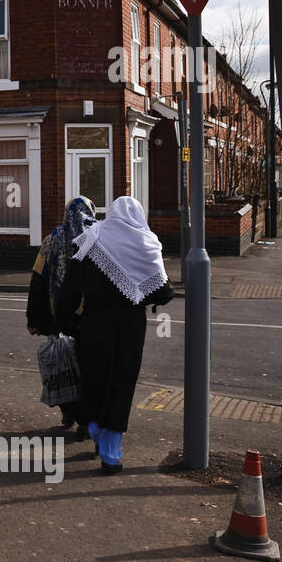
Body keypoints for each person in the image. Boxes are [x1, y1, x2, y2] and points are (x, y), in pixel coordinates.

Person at [56, 196, 173, 475]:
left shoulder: (92, 238)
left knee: (94, 376)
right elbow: (163, 292)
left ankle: (94, 426)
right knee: (122, 381)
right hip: (130, 324)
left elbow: (70, 288)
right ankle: (110, 453)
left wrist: (63, 322)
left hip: (94, 322)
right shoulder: (146, 243)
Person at [26, 196, 96, 433]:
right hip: (89, 317)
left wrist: (34, 319)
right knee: (87, 368)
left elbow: (38, 280)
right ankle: (86, 420)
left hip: (60, 315)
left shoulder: (51, 241)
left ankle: (68, 413)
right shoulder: (96, 239)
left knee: (63, 364)